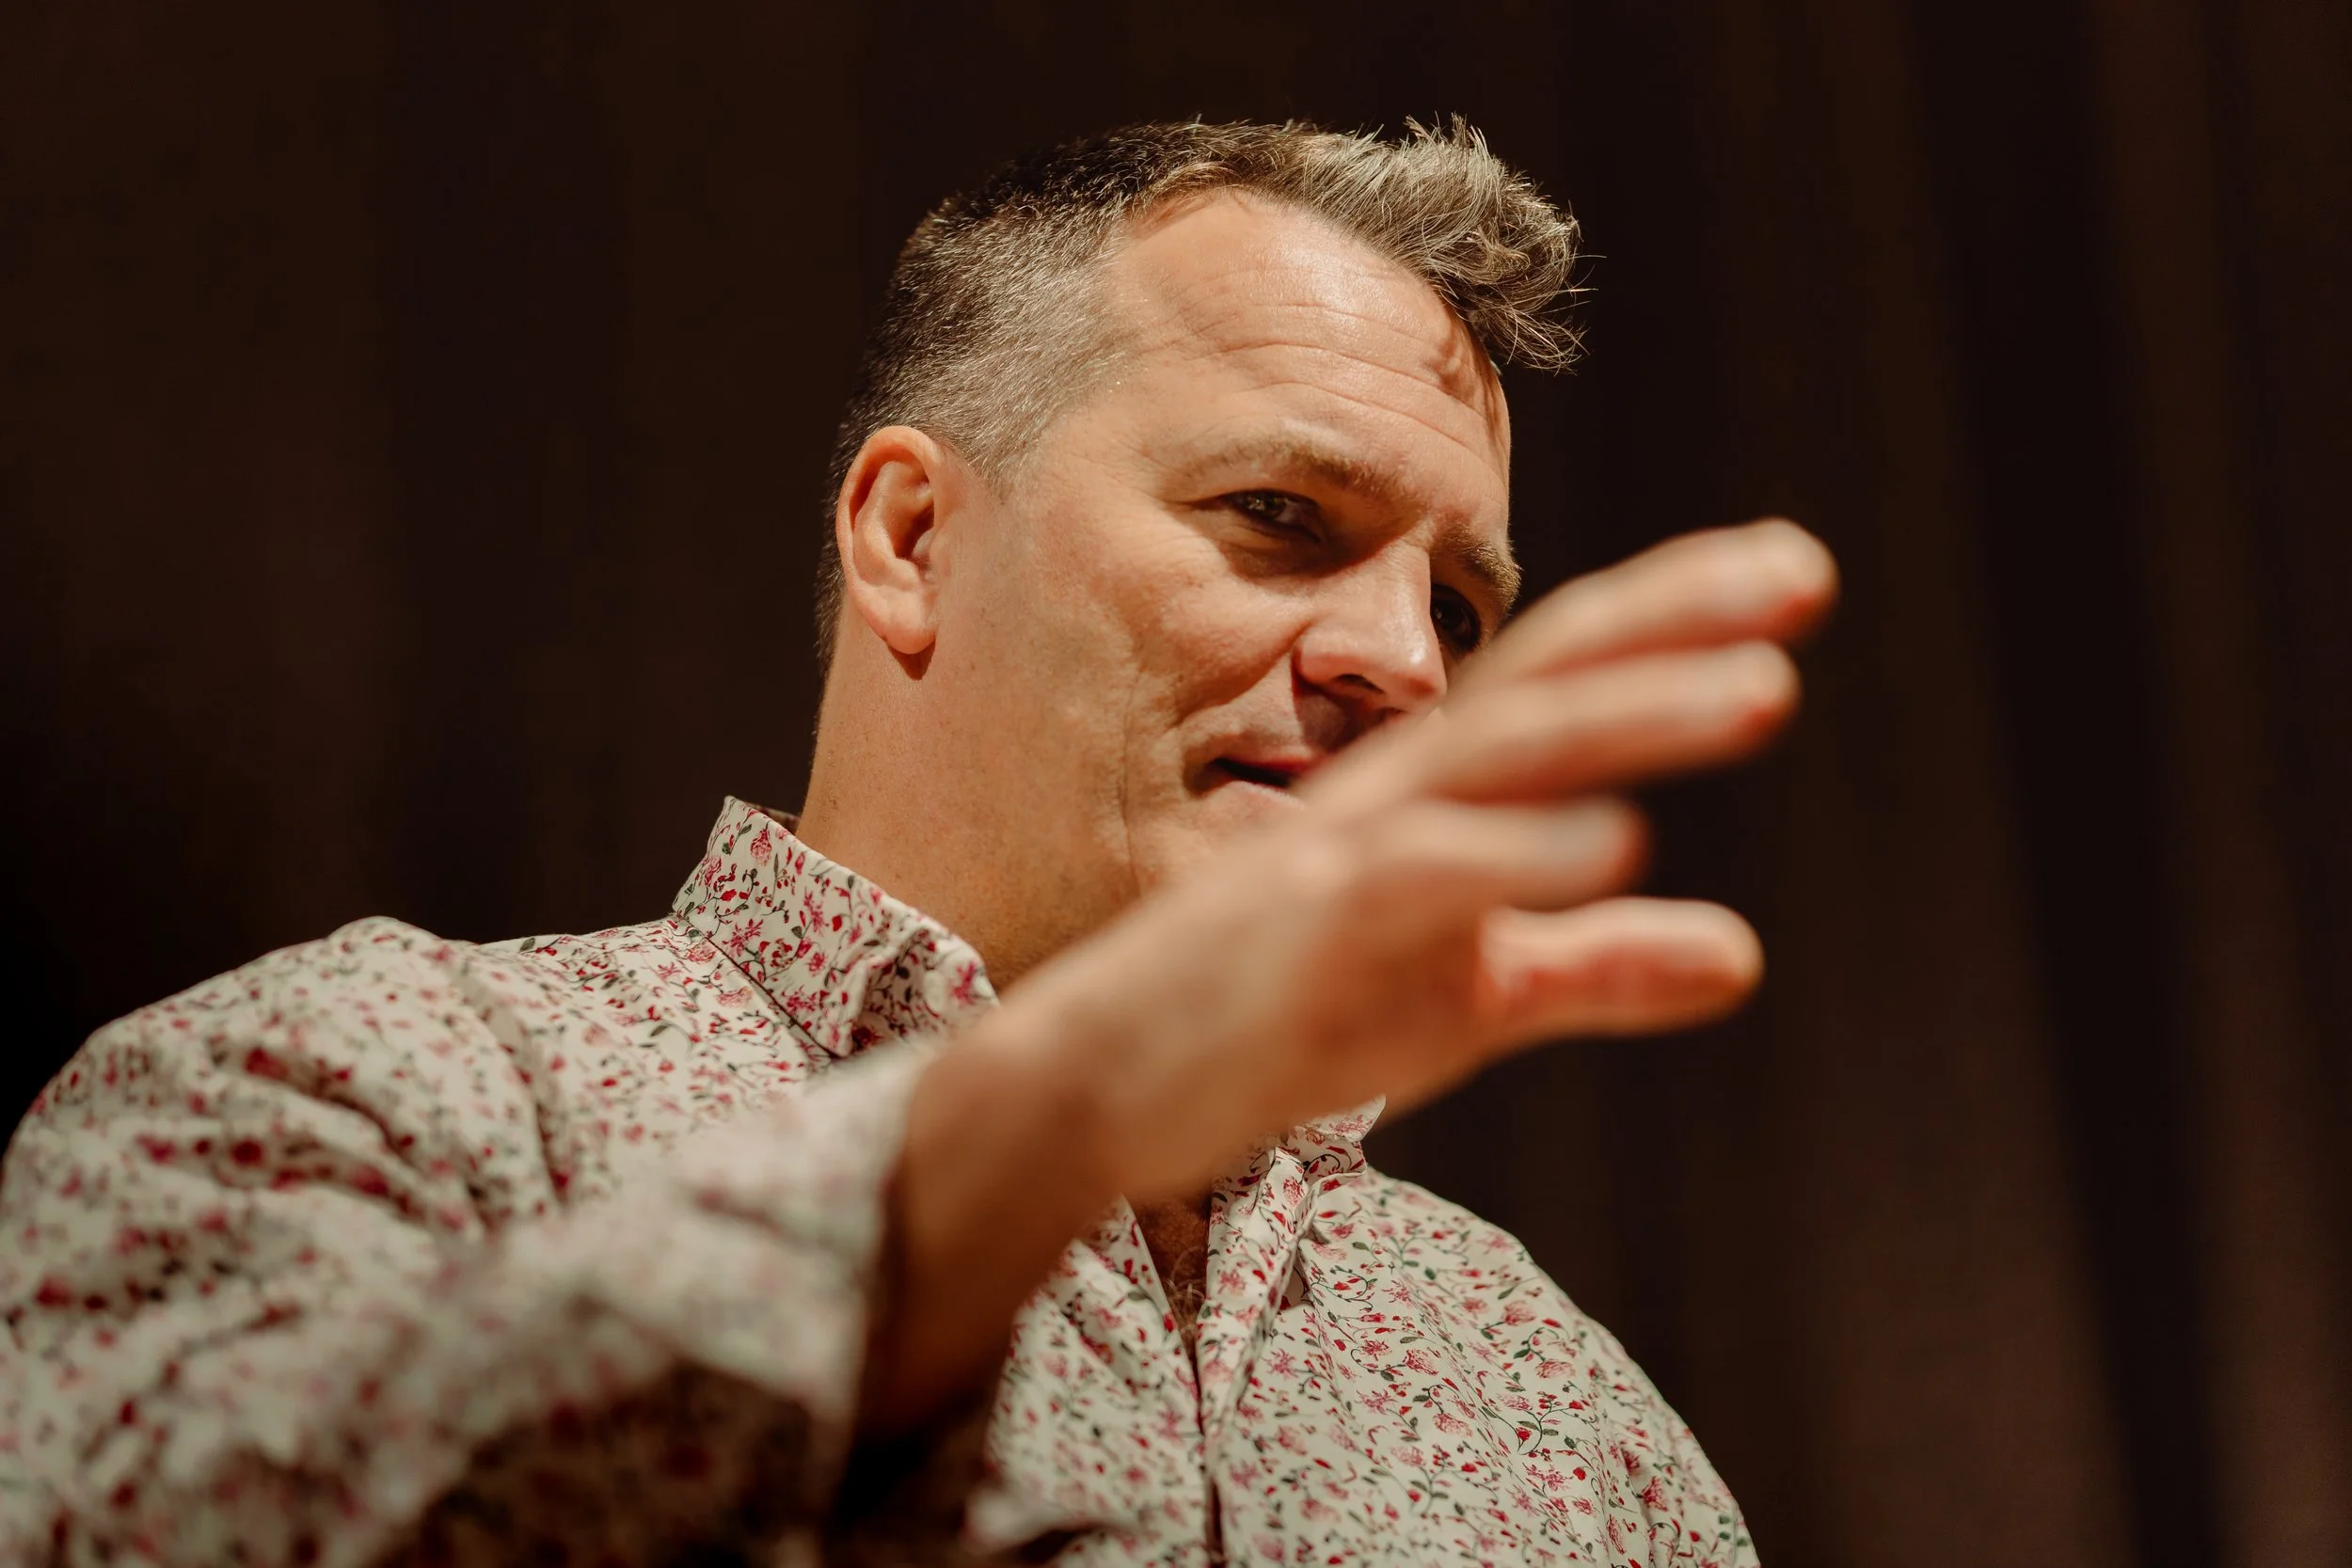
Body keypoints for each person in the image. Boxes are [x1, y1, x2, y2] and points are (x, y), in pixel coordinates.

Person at [0, 119, 1836, 1566]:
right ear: (904, 536)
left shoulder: (1541, 1381)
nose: (1399, 660)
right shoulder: (369, 1085)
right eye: (1278, 513)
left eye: (1456, 598)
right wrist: (1031, 1121)